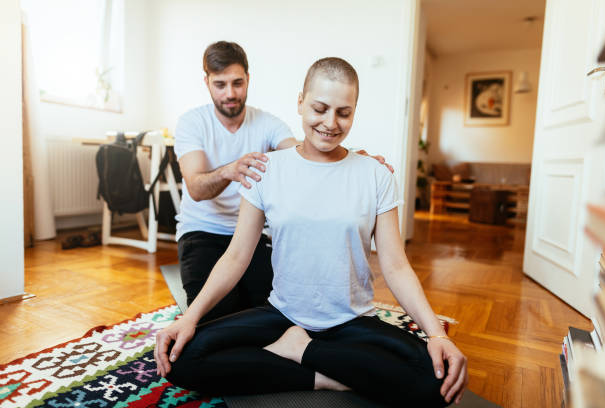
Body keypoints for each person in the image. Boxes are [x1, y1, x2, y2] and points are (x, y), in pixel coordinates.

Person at [156, 57, 468, 406]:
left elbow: (396, 266)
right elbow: (237, 256)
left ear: (354, 112)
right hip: (283, 315)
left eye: (344, 113)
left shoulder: (375, 174)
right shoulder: (267, 169)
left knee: (435, 381)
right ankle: (329, 375)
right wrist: (189, 318)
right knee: (181, 357)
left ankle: (302, 350)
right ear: (300, 102)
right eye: (319, 108)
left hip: (352, 320)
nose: (330, 123)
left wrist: (437, 334)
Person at [174, 41, 392, 323]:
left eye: (238, 83)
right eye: (220, 84)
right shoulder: (192, 123)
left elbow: (304, 152)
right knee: (216, 319)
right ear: (207, 83)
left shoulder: (267, 123)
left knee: (272, 314)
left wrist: (349, 159)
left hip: (253, 237)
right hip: (202, 233)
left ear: (248, 79)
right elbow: (195, 187)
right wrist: (230, 170)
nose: (230, 93)